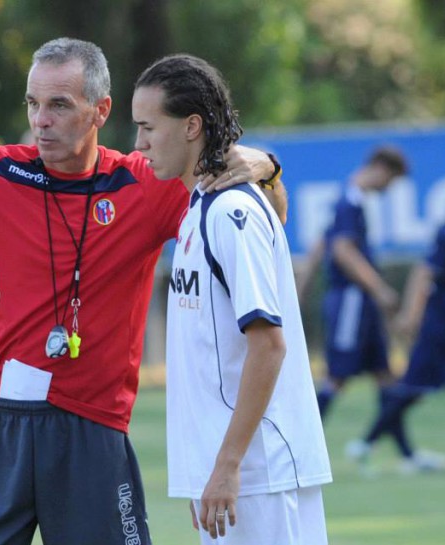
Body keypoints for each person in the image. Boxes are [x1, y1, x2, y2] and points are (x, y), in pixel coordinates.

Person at [0, 37, 285, 545]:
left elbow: (268, 218)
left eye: (59, 105)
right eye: (33, 104)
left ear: (101, 110)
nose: (41, 120)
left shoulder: (146, 184)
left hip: (91, 425)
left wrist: (265, 167)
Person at [133, 53, 332, 544]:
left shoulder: (230, 212)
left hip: (259, 472)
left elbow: (269, 344)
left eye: (148, 127)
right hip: (235, 474)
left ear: (191, 127)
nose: (139, 144)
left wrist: (227, 466)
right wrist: (211, 469)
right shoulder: (199, 209)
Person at [345, 221, 445, 473]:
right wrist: (411, 315)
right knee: (412, 388)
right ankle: (366, 443)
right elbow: (425, 271)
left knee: (411, 388)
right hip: (441, 325)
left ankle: (369, 443)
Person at [314, 146, 408, 420]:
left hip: (360, 301)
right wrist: (379, 289)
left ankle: (403, 453)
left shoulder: (353, 199)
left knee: (384, 373)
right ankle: (299, 447)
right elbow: (343, 251)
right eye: (391, 180)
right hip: (351, 299)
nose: (389, 187)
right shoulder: (350, 201)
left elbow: (321, 245)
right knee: (337, 375)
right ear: (380, 168)